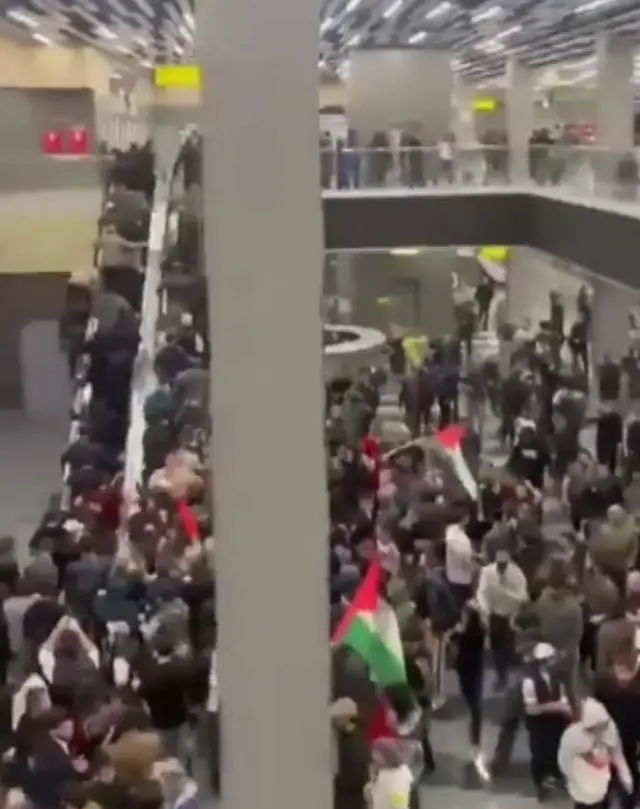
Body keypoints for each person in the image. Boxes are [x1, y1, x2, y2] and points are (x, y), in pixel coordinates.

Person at [558, 697, 633, 809]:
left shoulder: (609, 729)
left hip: (601, 782)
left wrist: (626, 777)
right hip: (581, 786)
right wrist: (575, 777)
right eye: (594, 728)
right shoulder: (572, 735)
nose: (598, 731)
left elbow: (617, 752)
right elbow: (564, 761)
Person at [522, 642, 572, 801]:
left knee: (557, 753)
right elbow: (531, 709)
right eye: (552, 659)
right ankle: (541, 786)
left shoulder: (558, 678)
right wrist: (555, 706)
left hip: (557, 725)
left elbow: (564, 698)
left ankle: (552, 779)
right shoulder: (529, 682)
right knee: (540, 756)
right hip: (540, 727)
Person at [476, 547, 529, 690]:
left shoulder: (517, 573)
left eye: (504, 564)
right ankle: (501, 676)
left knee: (510, 646)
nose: (501, 567)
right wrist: (485, 609)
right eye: (499, 564)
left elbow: (523, 597)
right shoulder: (487, 572)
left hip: (512, 615)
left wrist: (504, 593)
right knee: (496, 647)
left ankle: (516, 674)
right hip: (495, 615)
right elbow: (481, 593)